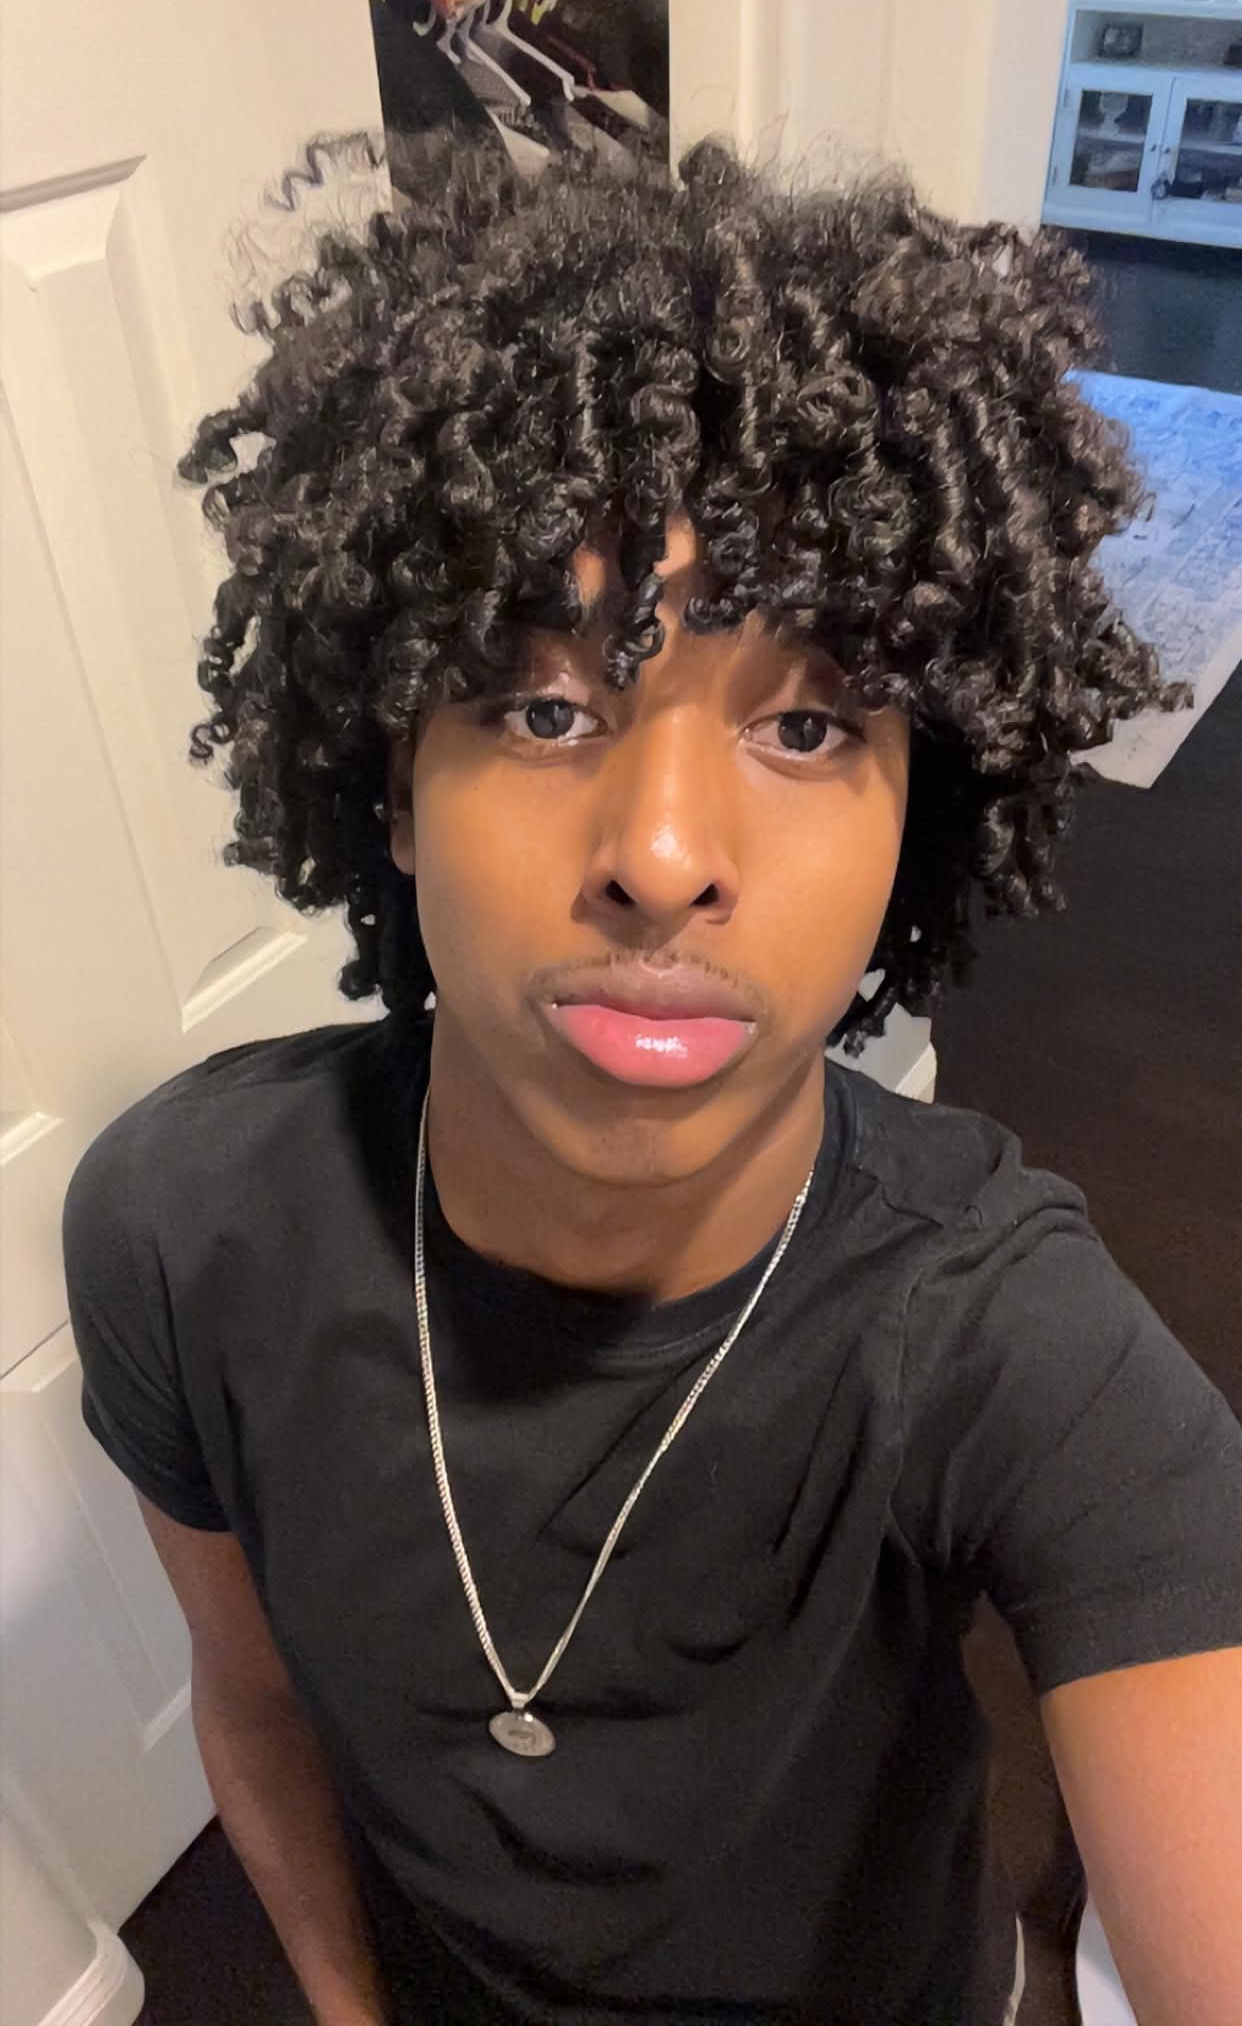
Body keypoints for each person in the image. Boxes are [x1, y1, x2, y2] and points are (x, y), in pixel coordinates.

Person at [64, 133, 1242, 2026]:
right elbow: (256, 1700)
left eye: (807, 725)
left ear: (917, 823)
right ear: (390, 783)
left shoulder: (1010, 1342)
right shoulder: (178, 1231)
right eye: (545, 706)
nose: (665, 856)